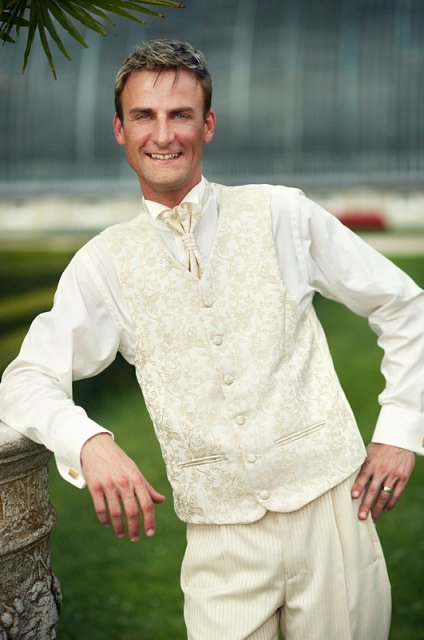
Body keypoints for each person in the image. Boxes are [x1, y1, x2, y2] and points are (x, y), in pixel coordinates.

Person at [0, 38, 423, 640]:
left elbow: (406, 306)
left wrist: (401, 429)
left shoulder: (282, 214)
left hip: (334, 513)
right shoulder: (102, 266)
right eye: (144, 116)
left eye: (181, 114)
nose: (163, 134)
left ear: (208, 125)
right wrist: (89, 442)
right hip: (219, 543)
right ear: (120, 130)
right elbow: (24, 379)